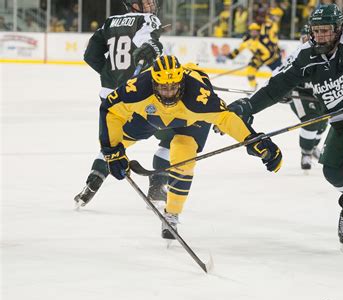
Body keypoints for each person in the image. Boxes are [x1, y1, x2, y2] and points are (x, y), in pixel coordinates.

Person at [227, 4, 343, 249]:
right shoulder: (306, 55)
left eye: (326, 30)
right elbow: (277, 85)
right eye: (316, 30)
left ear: (338, 29)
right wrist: (248, 107)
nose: (321, 35)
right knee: (332, 172)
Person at [99, 55, 282, 239]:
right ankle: (97, 171)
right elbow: (110, 109)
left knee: (183, 158)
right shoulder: (138, 88)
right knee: (118, 139)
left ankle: (171, 214)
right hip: (155, 113)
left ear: (182, 82)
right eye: (163, 87)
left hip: (191, 118)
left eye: (174, 87)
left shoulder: (198, 96)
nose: (169, 93)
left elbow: (225, 118)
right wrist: (113, 151)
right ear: (153, 84)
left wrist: (253, 140)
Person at [75, 0, 165, 208]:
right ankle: (159, 185)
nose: (151, 6)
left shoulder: (109, 22)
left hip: (109, 95)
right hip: (136, 96)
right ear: (133, 5)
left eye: (151, 2)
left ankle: (94, 179)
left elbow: (90, 55)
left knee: (114, 141)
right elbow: (147, 46)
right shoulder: (148, 20)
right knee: (173, 130)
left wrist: (110, 75)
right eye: (146, 2)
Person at [281, 24, 328, 170]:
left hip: (319, 95)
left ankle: (312, 147)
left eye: (310, 37)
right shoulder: (296, 55)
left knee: (322, 124)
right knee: (311, 121)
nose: (307, 40)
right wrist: (284, 90)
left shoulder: (326, 53)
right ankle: (306, 153)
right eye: (305, 38)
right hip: (299, 93)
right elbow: (281, 75)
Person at [226, 23, 282, 90]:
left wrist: (259, 61)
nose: (254, 33)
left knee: (280, 74)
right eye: (252, 31)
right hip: (260, 59)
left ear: (259, 31)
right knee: (250, 69)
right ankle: (253, 86)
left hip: (273, 59)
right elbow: (240, 48)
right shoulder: (247, 41)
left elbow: (268, 54)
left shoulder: (262, 40)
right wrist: (232, 55)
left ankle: (285, 88)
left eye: (256, 31)